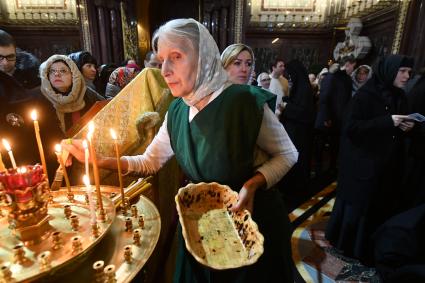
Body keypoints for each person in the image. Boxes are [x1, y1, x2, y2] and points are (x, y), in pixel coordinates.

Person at [63, 18, 298, 283]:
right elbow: (149, 161)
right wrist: (99, 160)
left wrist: (254, 183)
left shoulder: (243, 101)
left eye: (176, 56)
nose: (165, 70)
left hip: (248, 229)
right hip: (200, 229)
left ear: (202, 57)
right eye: (161, 59)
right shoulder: (177, 110)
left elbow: (288, 154)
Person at [325, 54, 415, 265]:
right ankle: (352, 248)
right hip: (363, 164)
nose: (406, 76)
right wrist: (387, 122)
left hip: (386, 164)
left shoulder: (400, 96)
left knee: (379, 206)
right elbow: (352, 128)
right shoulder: (366, 96)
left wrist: (405, 127)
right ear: (389, 71)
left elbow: (393, 128)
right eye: (402, 71)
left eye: (409, 72)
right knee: (359, 209)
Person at [39, 54, 105, 135]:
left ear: (74, 75)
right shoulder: (41, 100)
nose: (57, 74)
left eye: (63, 71)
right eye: (52, 71)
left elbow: (105, 110)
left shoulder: (86, 93)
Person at [279, 60, 315, 194]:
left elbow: (304, 113)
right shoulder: (301, 86)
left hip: (300, 132)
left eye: (290, 74)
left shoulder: (304, 88)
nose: (289, 77)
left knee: (298, 160)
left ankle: (296, 187)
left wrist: (286, 106)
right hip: (295, 130)